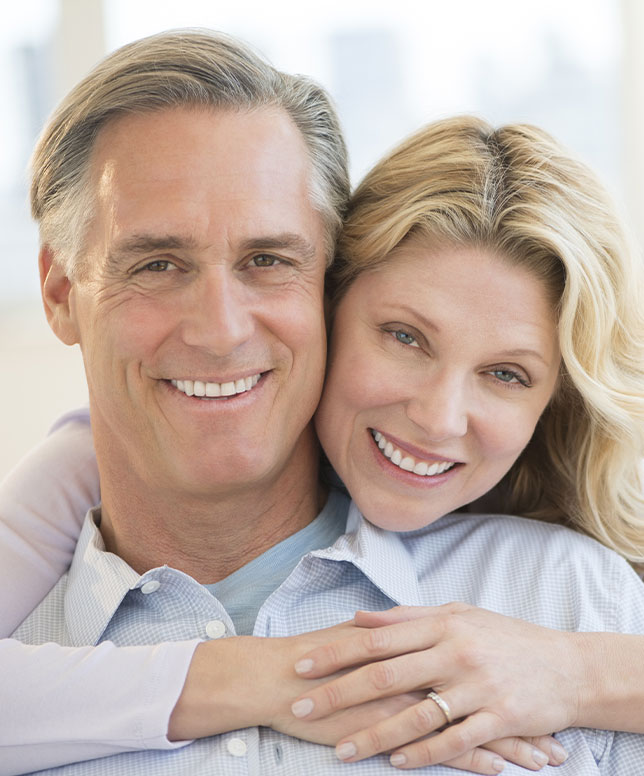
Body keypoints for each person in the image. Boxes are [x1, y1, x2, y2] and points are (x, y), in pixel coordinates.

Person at [3, 28, 644, 776]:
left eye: (267, 260)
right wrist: (274, 678)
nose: (220, 331)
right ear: (58, 293)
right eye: (157, 263)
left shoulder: (566, 600)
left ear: (322, 286)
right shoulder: (31, 647)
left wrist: (583, 671)